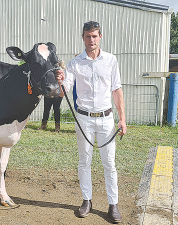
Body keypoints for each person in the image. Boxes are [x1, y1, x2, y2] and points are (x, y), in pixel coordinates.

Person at [56, 21, 127, 223]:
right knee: (84, 161)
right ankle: (87, 200)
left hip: (106, 119)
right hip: (84, 119)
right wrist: (61, 79)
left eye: (94, 36)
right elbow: (64, 91)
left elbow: (117, 90)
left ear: (100, 36)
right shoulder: (75, 63)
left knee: (109, 163)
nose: (91, 40)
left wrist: (122, 119)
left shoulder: (111, 60)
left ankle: (113, 204)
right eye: (88, 36)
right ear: (83, 37)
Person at [38, 61, 65, 132]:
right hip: (49, 93)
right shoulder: (49, 71)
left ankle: (57, 127)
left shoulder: (61, 72)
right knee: (46, 109)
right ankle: (43, 125)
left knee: (56, 109)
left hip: (57, 93)